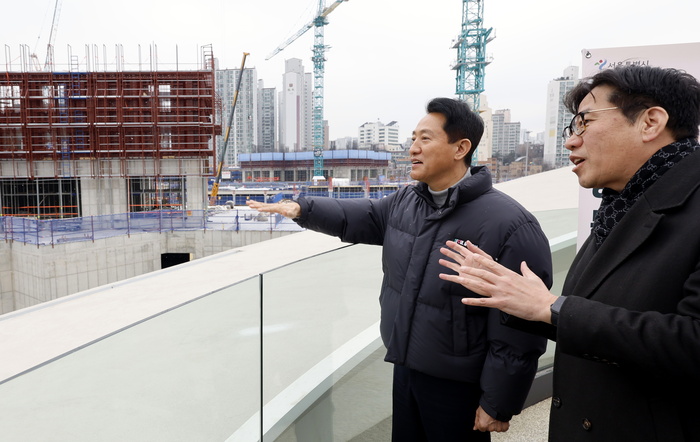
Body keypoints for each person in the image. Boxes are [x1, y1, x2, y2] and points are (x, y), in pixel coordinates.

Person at [247, 97, 553, 441]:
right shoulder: (408, 202)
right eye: (412, 138)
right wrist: (303, 208)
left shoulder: (509, 224)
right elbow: (357, 216)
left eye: (425, 138)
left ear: (460, 148)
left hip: (459, 385)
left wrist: (498, 400)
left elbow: (520, 329)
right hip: (407, 368)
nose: (413, 148)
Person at [438, 65, 700, 441]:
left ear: (650, 122)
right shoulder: (620, 207)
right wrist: (521, 301)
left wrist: (552, 308)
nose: (571, 143)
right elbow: (597, 319)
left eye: (584, 122)